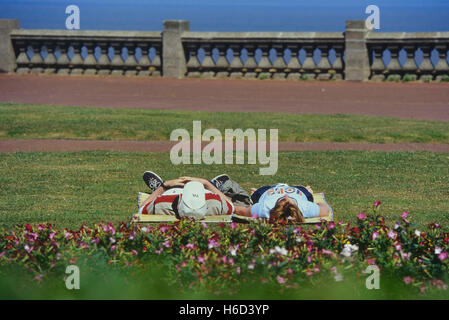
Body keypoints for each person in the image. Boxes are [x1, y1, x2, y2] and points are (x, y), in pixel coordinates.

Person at [138, 171, 236, 219]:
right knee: (214, 188)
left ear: (179, 199)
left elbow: (142, 208)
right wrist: (206, 184)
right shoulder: (214, 203)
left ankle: (158, 185)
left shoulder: (163, 203)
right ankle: (214, 185)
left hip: (172, 189)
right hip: (206, 189)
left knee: (162, 188)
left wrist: (164, 186)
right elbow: (230, 204)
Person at [234, 182, 331, 223]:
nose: (285, 196)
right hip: (298, 191)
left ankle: (256, 192)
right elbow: (326, 210)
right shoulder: (305, 208)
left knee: (256, 194)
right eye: (288, 199)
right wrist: (316, 202)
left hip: (267, 191)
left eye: (282, 200)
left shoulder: (265, 208)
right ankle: (307, 190)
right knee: (307, 192)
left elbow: (240, 211)